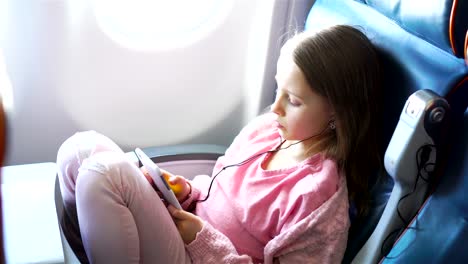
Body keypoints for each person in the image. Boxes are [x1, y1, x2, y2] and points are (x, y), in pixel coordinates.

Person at [56, 24, 382, 263]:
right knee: (80, 150)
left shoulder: (316, 199)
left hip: (203, 257)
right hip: (183, 234)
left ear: (337, 112)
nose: (276, 108)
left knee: (106, 175)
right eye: (277, 90)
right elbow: (219, 194)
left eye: (293, 100)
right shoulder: (267, 131)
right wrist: (185, 193)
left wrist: (200, 239)